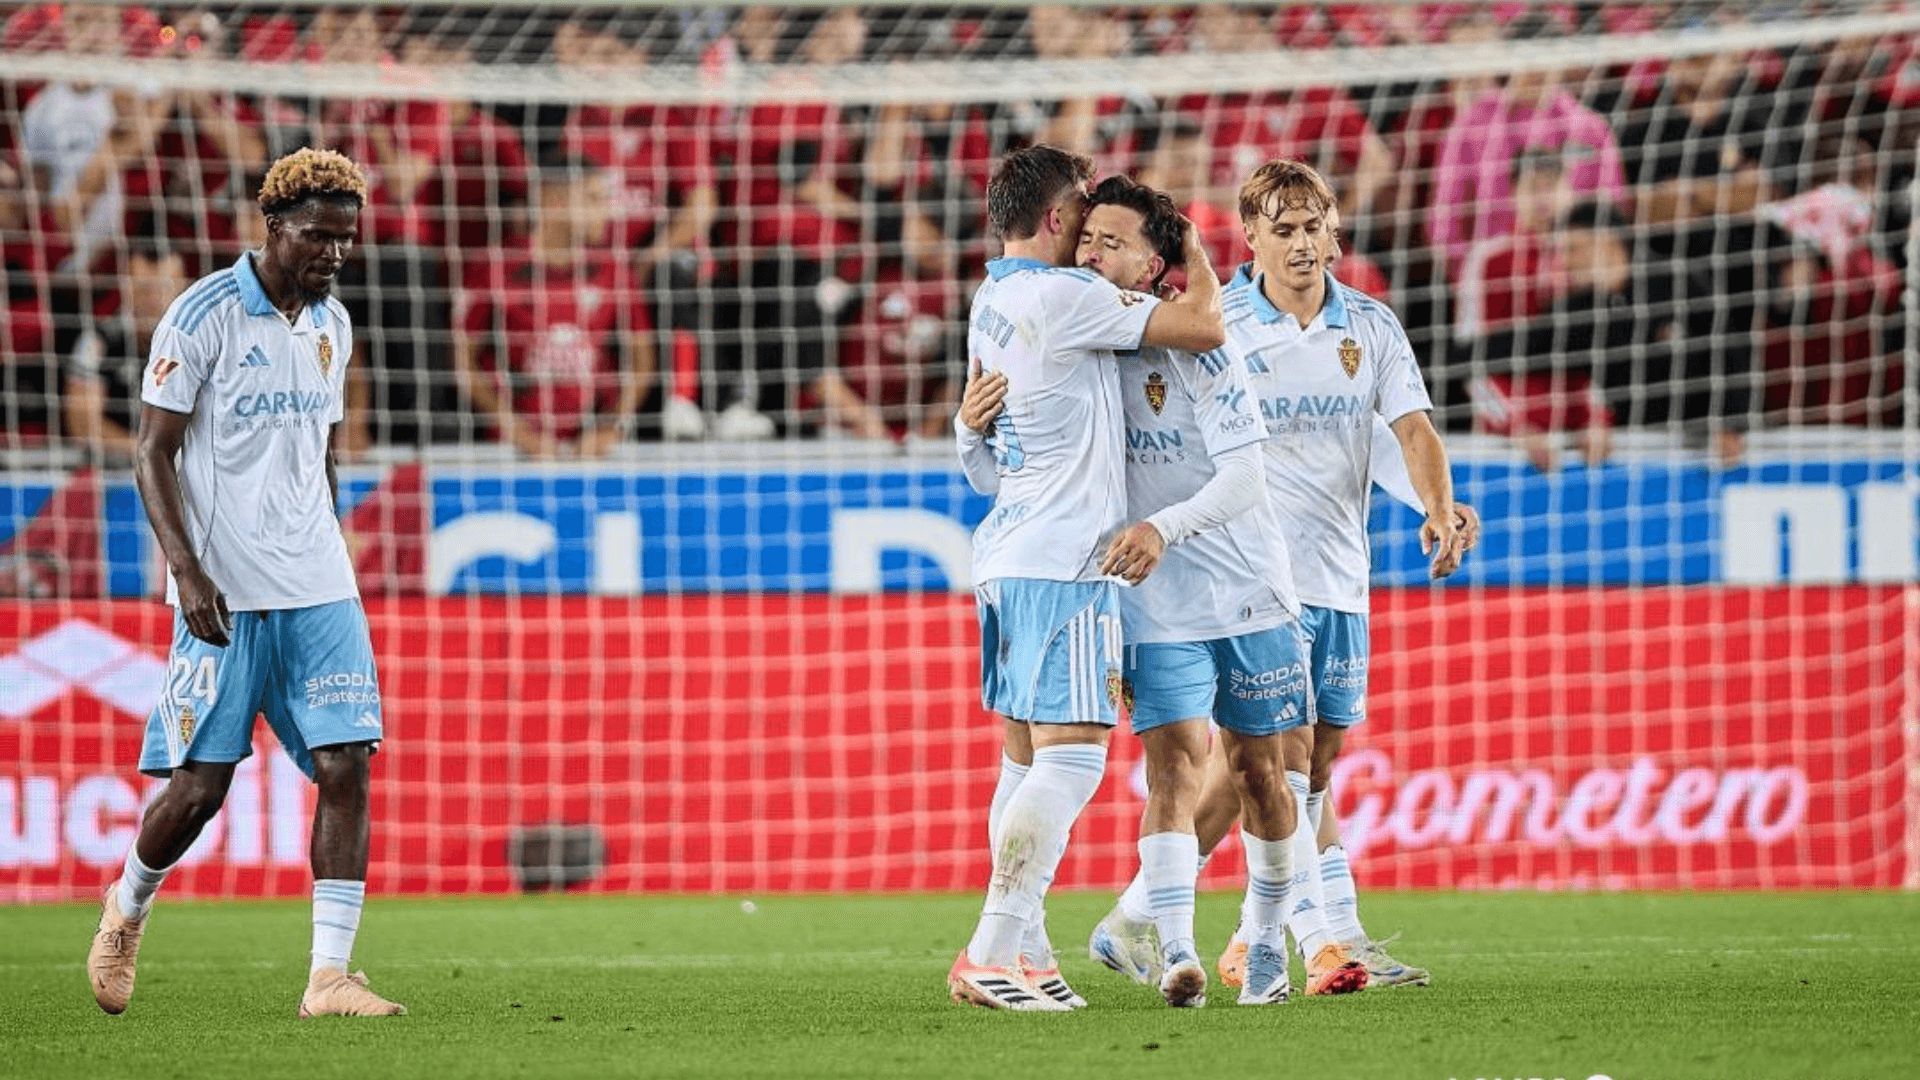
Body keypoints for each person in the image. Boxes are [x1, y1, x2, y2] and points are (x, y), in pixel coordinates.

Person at [1107, 161, 1464, 996]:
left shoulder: (1370, 328)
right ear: (1251, 237)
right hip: (1247, 577)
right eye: (1284, 228)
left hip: (1342, 574)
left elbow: (1407, 432)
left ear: (1334, 233)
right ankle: (1323, 938)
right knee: (1281, 760)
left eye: (1314, 227)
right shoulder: (1216, 323)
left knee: (1305, 766)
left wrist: (1440, 507)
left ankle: (1157, 920)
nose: (1302, 243)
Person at [960, 176, 1307, 1007]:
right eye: (1086, 236)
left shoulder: (1172, 343)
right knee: (1158, 770)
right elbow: (990, 450)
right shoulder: (1084, 317)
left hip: (1239, 584)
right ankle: (1153, 944)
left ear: (1157, 261)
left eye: (1111, 242)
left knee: (1272, 770)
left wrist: (969, 430)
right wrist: (971, 429)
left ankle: (1255, 935)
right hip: (1123, 589)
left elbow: (1246, 476)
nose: (1091, 253)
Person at [86, 147, 404, 1019]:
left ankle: (328, 976)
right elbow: (153, 452)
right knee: (201, 789)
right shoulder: (202, 317)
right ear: (274, 226)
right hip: (223, 588)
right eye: (318, 236)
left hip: (319, 584)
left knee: (347, 763)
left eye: (346, 240)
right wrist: (184, 570)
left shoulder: (333, 326)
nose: (333, 254)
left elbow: (323, 454)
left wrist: (331, 544)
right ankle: (127, 908)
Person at [453, 155, 658, 457]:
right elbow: (462, 358)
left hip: (591, 448)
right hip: (511, 450)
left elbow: (642, 363)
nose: (606, 212)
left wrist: (609, 428)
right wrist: (518, 432)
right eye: (593, 199)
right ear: (554, 201)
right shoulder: (495, 265)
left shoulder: (614, 270)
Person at [62, 228, 187, 463]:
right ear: (126, 286)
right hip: (113, 475)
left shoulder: (202, 345)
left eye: (163, 289)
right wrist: (148, 451)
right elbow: (82, 424)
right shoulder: (98, 342)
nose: (154, 301)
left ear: (182, 288)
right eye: (144, 289)